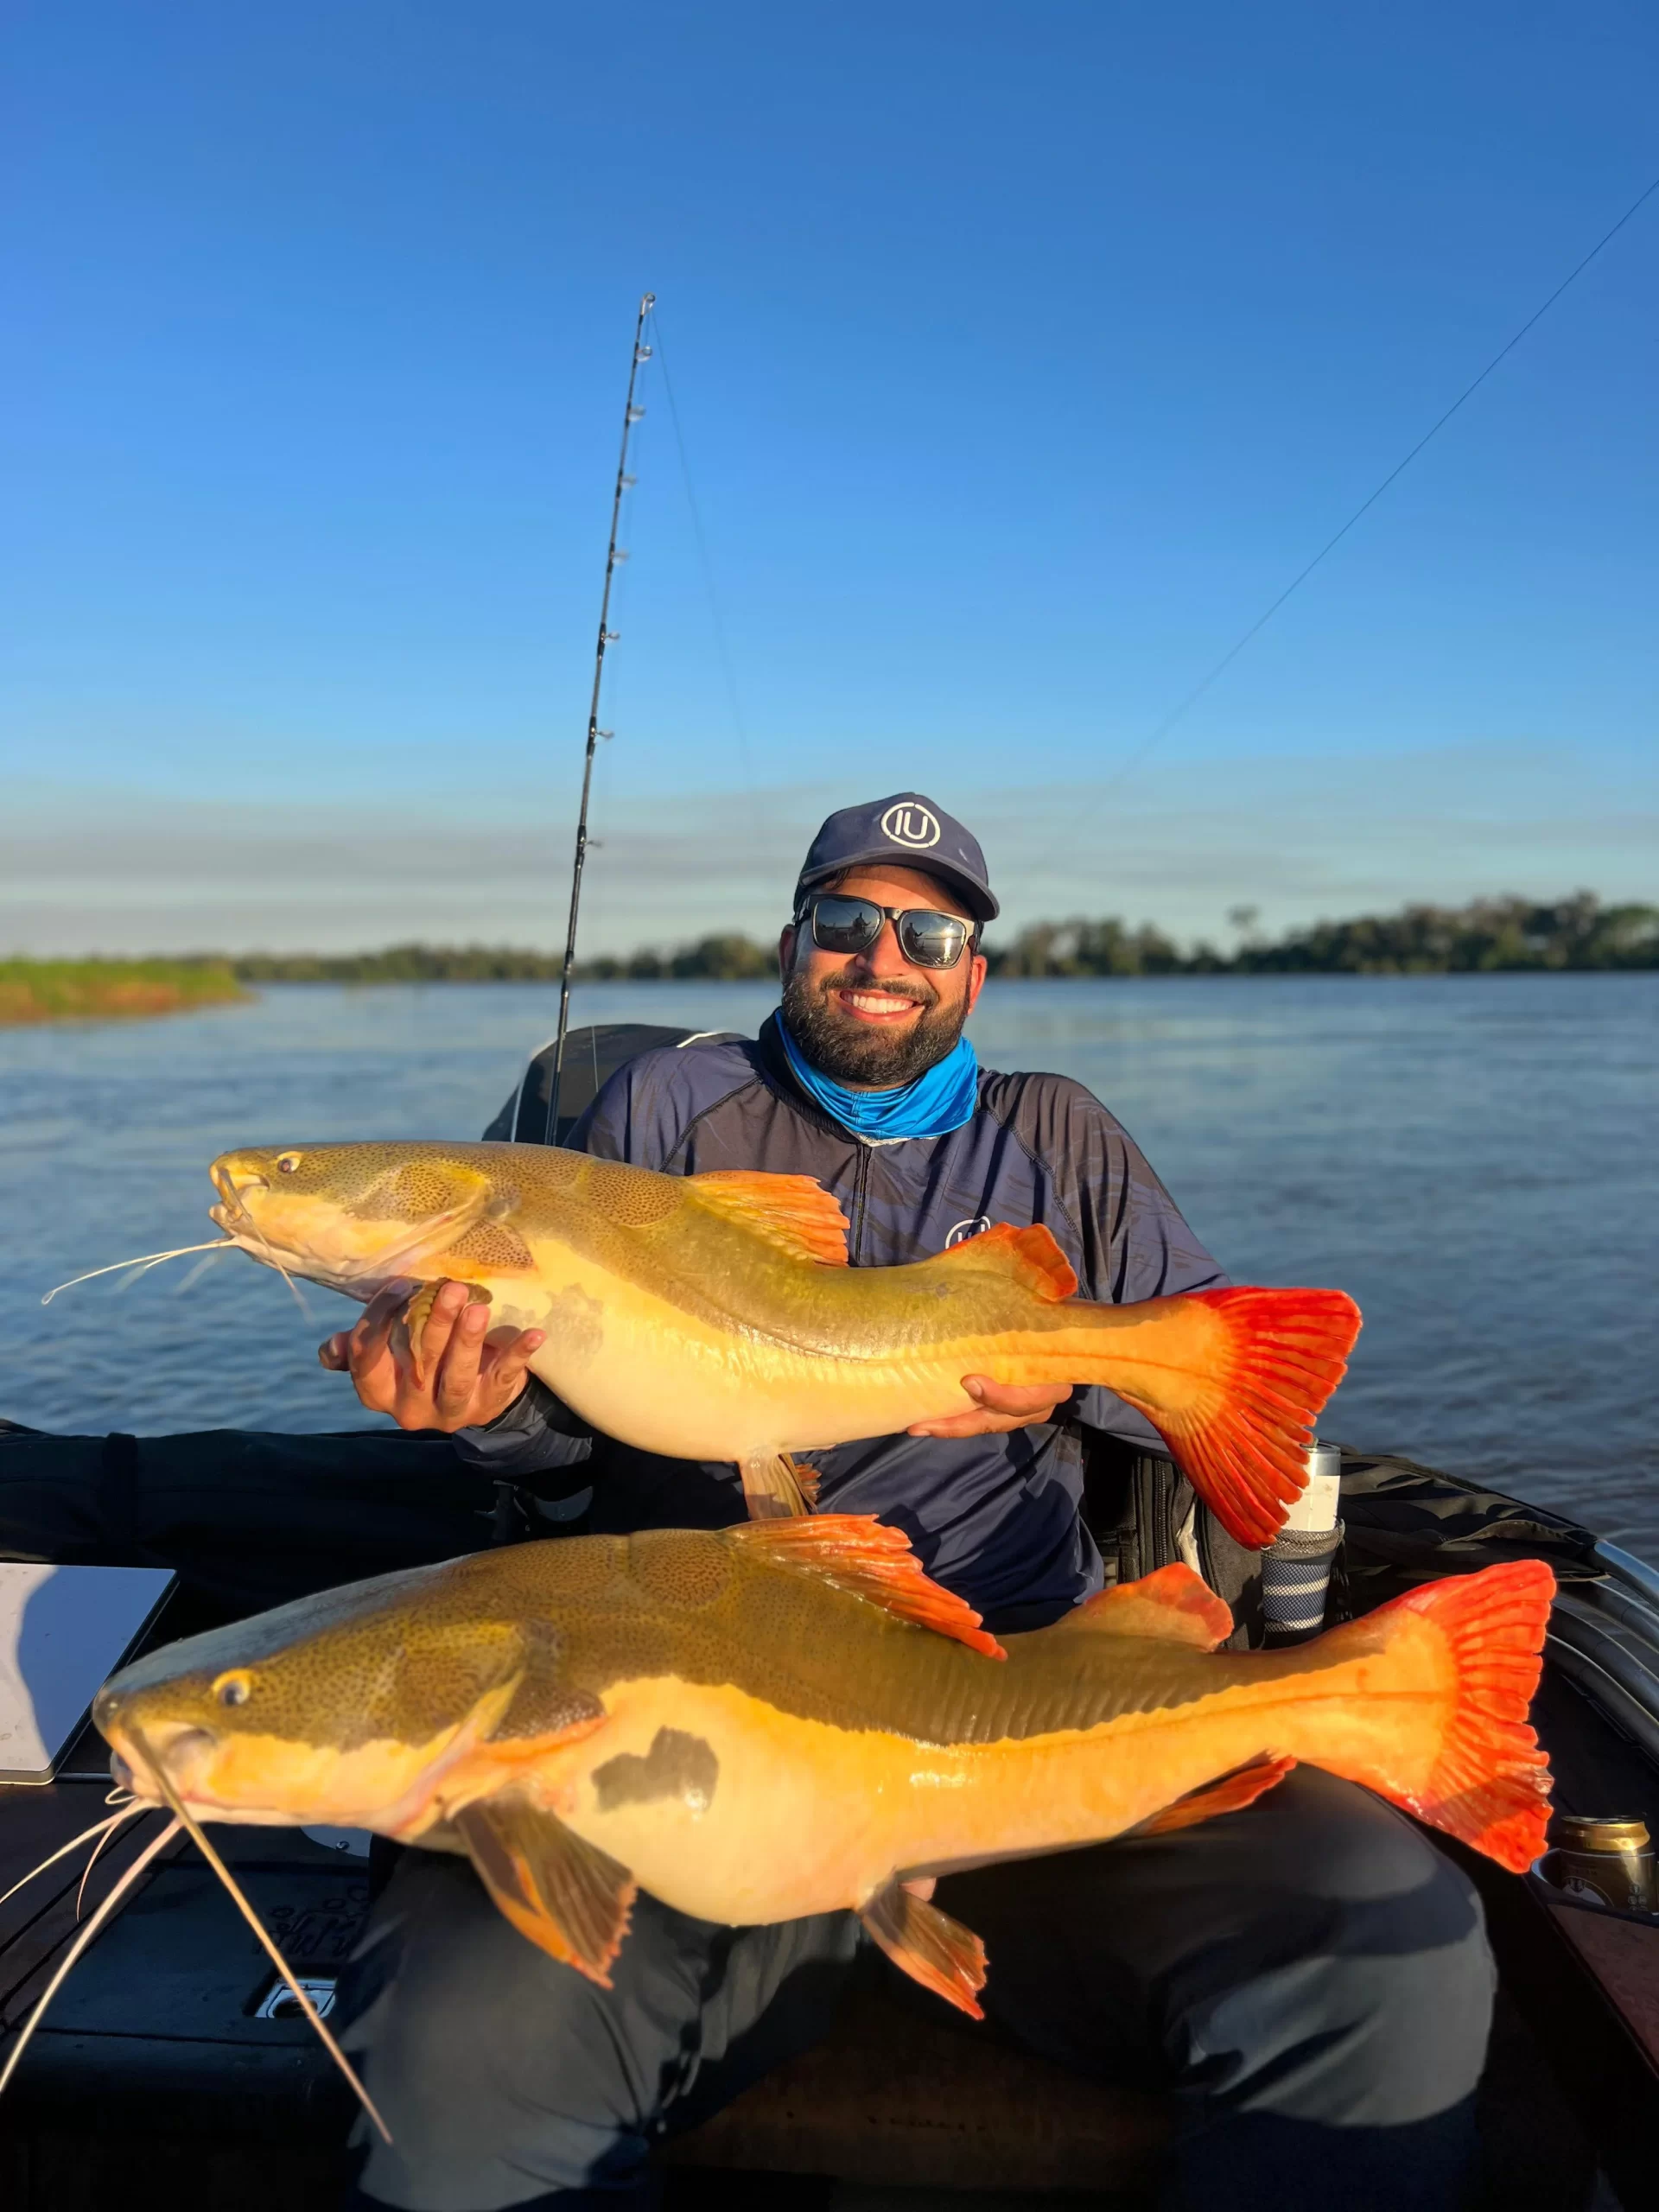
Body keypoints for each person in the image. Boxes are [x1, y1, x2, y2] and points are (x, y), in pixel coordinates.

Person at [323, 794, 1495, 2212]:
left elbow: (1227, 1390)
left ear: (972, 973)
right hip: (691, 1714)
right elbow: (566, 1454)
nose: (883, 957)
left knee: (1387, 1939)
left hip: (1024, 1684)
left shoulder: (1056, 1130)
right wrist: (491, 1413)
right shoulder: (664, 1107)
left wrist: (1068, 1384)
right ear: (790, 944)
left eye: (929, 934)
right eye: (846, 921)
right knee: (454, 2058)